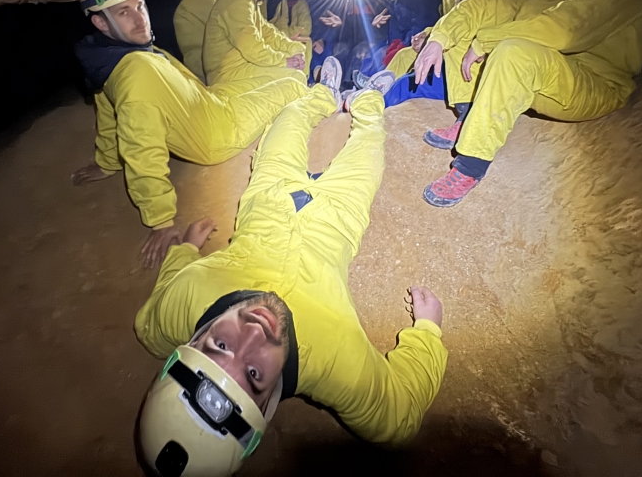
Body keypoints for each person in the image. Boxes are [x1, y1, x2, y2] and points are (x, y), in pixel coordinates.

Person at [134, 63, 447, 476]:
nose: (252, 331)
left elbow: (151, 324)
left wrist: (187, 248)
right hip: (335, 220)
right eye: (253, 373)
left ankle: (324, 93)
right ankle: (368, 98)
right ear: (266, 407)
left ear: (188, 343)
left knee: (289, 121)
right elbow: (398, 421)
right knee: (370, 140)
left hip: (268, 201)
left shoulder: (180, 306)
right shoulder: (337, 363)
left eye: (219, 347)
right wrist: (427, 333)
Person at [414, 0, 642, 207]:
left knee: (511, 50)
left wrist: (486, 42)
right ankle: (468, 117)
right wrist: (438, 38)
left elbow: (569, 27)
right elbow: (476, 7)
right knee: (463, 34)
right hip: (547, 70)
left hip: (595, 81)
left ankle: (470, 166)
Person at [70, 0, 309, 259]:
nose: (140, 19)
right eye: (123, 12)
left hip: (211, 100)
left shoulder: (108, 57)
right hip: (220, 130)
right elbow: (141, 149)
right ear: (101, 23)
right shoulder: (135, 74)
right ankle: (328, 97)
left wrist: (106, 161)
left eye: (139, 5)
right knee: (293, 81)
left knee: (275, 75)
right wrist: (160, 221)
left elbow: (106, 109)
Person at [382, 0, 517, 108]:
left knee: (406, 84)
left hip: (479, 66)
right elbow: (453, 21)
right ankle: (377, 89)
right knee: (403, 57)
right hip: (460, 55)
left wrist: (437, 39)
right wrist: (430, 35)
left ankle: (369, 105)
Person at [202, 0, 307, 85]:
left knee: (295, 73)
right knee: (293, 79)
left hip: (241, 68)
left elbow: (270, 34)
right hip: (227, 75)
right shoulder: (236, 0)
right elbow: (251, 46)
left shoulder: (250, 2)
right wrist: (284, 61)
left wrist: (295, 49)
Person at [269, 0, 313, 72]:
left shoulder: (301, 4)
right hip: (273, 37)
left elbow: (306, 28)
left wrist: (287, 34)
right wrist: (286, 35)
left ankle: (303, 78)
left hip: (286, 36)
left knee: (307, 42)